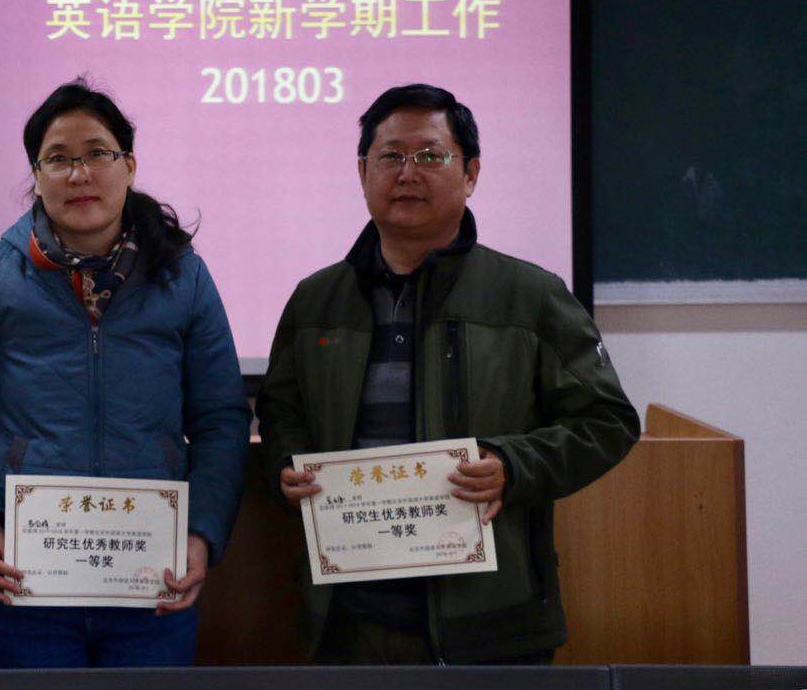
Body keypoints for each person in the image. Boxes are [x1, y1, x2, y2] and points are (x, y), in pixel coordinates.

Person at [256, 83, 639, 664]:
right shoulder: (316, 299)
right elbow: (281, 410)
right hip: (347, 622)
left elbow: (608, 422)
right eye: (390, 155)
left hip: (489, 622)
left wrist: (513, 465)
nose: (407, 172)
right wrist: (287, 464)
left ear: (471, 172)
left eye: (431, 155)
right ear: (362, 172)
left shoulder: (530, 296)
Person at [0, 79, 251, 668]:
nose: (79, 174)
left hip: (152, 574)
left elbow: (222, 418)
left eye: (97, 153)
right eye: (58, 159)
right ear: (36, 175)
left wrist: (201, 532)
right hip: (26, 575)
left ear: (129, 166)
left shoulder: (184, 277)